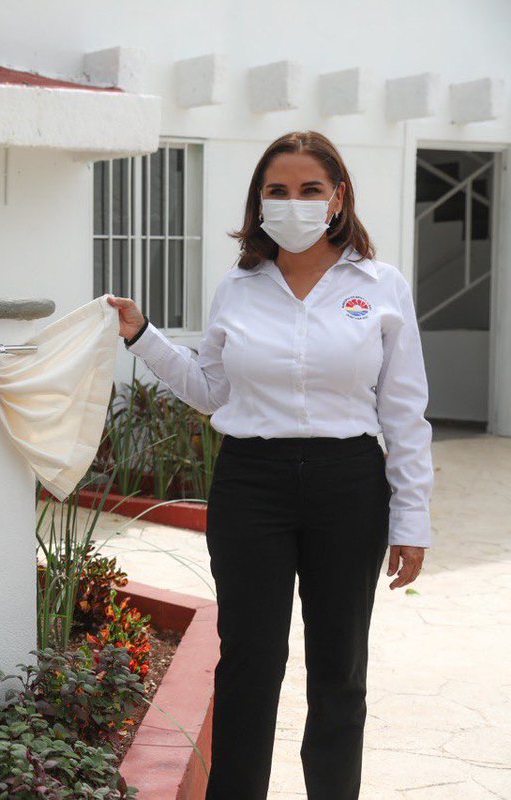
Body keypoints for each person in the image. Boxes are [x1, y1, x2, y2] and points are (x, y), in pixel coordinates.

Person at [106, 131, 432, 800]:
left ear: (338, 197)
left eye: (310, 189)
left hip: (349, 484)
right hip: (251, 484)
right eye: (277, 190)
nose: (293, 202)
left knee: (339, 670)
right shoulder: (239, 286)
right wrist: (142, 336)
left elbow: (404, 412)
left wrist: (412, 519)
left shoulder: (381, 286)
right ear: (259, 201)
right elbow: (210, 390)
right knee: (250, 663)